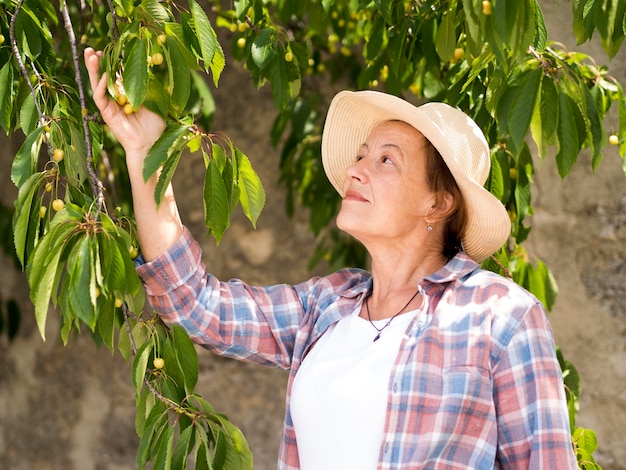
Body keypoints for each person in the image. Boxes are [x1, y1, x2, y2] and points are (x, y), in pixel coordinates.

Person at [85, 48, 578, 469]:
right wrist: (143, 150)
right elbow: (195, 303)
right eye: (361, 154)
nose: (356, 169)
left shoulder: (502, 317)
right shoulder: (327, 306)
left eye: (386, 159)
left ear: (438, 203)